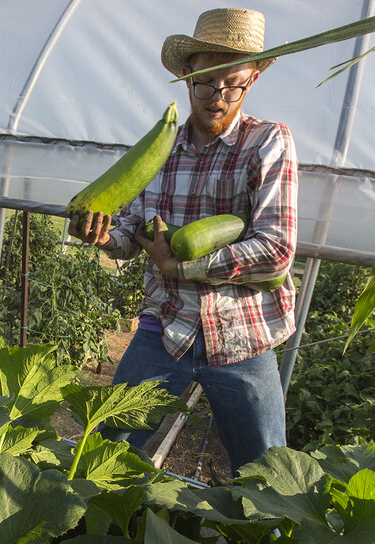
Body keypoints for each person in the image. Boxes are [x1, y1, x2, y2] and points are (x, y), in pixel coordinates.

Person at [68, 7, 298, 477]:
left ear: (251, 79)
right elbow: (131, 229)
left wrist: (184, 267)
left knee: (267, 477)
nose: (218, 96)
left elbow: (276, 248)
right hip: (165, 329)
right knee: (103, 458)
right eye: (205, 81)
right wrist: (102, 235)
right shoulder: (160, 148)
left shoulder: (267, 142)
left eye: (232, 83)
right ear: (187, 76)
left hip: (244, 338)